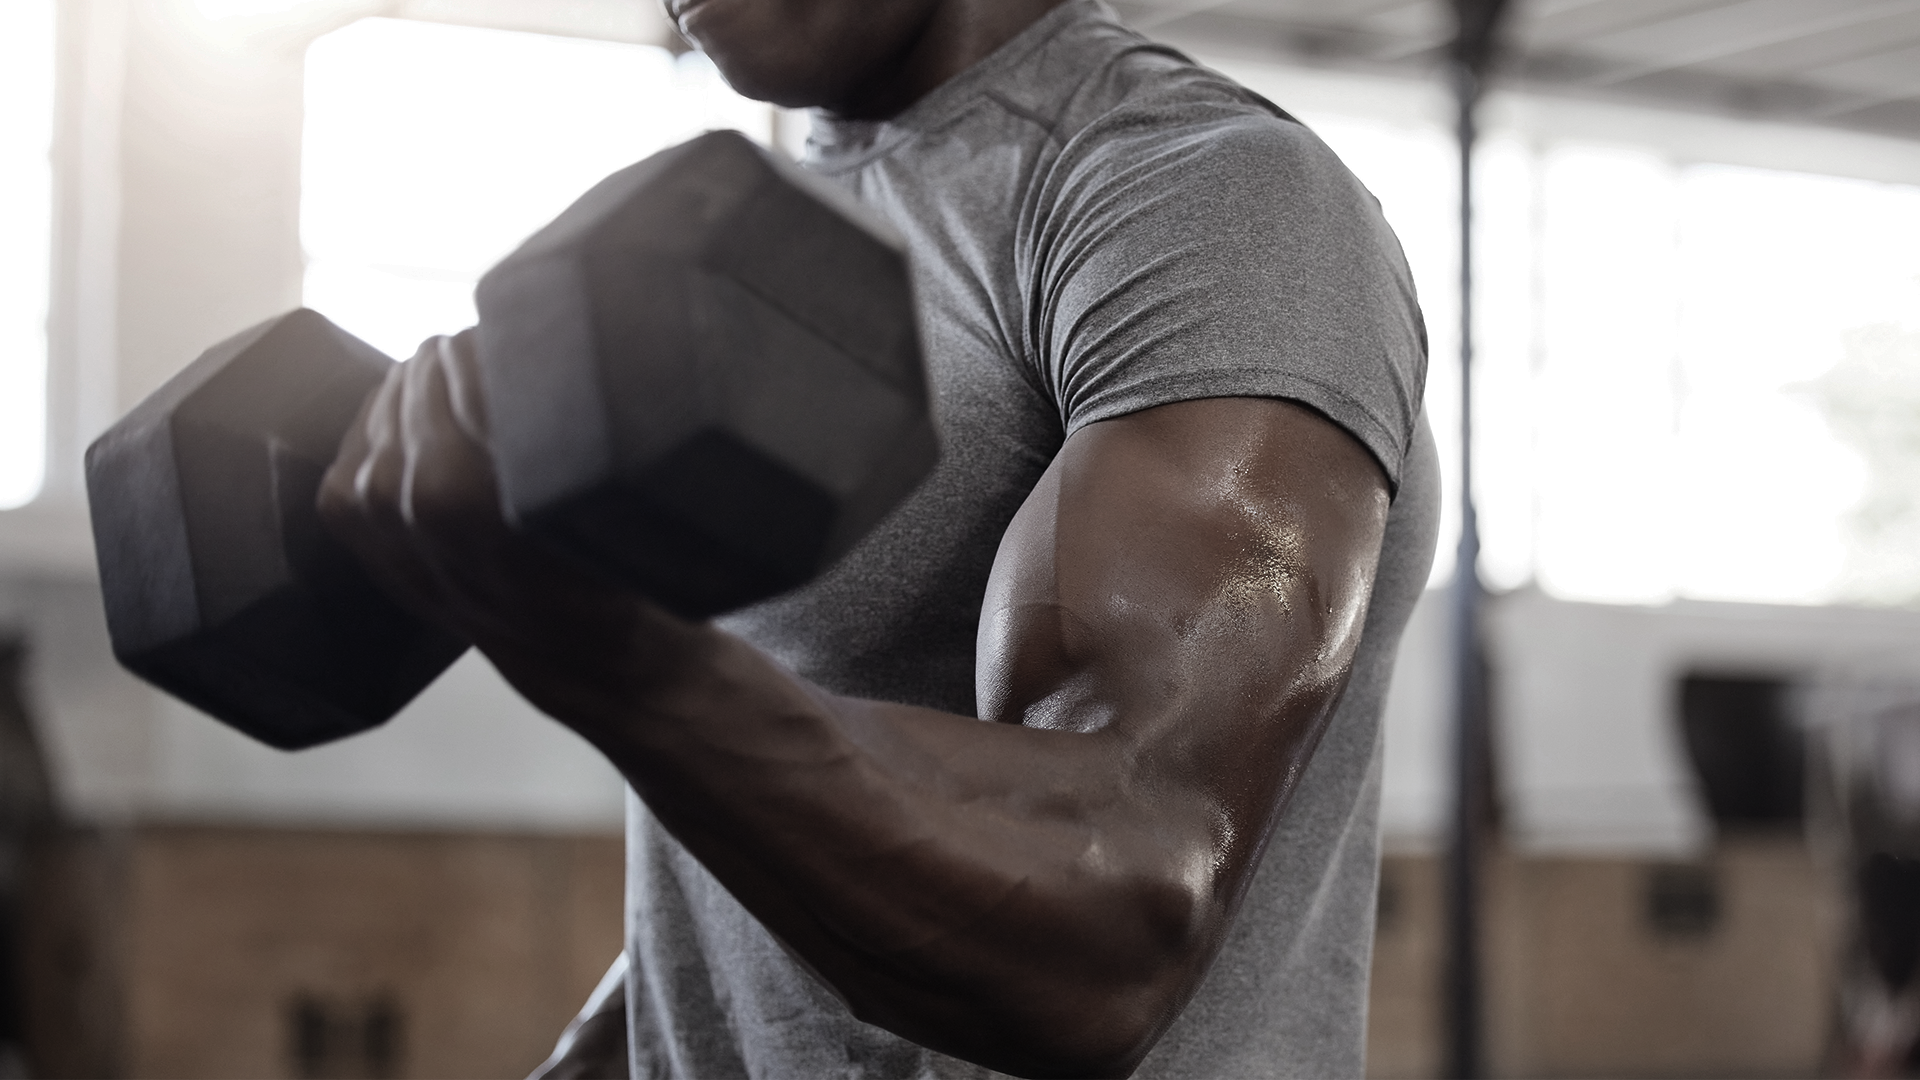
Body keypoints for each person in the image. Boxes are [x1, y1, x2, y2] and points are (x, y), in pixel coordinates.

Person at [318, 0, 1439, 1075]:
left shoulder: (1196, 197)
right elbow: (761, 855)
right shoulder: (757, 237)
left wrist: (609, 661)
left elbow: (1116, 919)